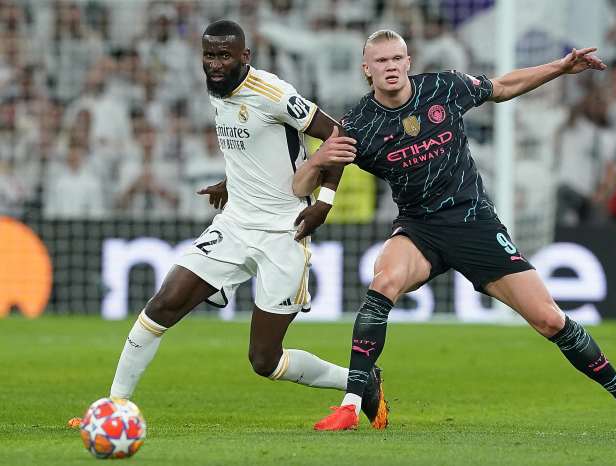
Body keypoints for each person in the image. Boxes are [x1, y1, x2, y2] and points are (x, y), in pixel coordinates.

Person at [293, 30, 616, 433]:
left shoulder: (443, 87)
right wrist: (317, 159)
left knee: (549, 319)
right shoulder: (359, 123)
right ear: (366, 69)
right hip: (419, 228)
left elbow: (503, 86)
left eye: (397, 59)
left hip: (473, 223)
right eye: (381, 62)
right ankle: (351, 404)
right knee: (384, 280)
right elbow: (303, 184)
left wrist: (561, 67)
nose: (390, 67)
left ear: (408, 61)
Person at [68, 19, 388, 429]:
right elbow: (254, 147)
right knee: (163, 304)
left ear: (244, 57)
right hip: (235, 225)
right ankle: (115, 406)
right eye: (209, 55)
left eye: (224, 56)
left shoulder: (274, 94)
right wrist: (231, 182)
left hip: (283, 233)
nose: (215, 64)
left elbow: (338, 136)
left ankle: (359, 380)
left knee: (264, 360)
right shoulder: (216, 87)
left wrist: (324, 202)